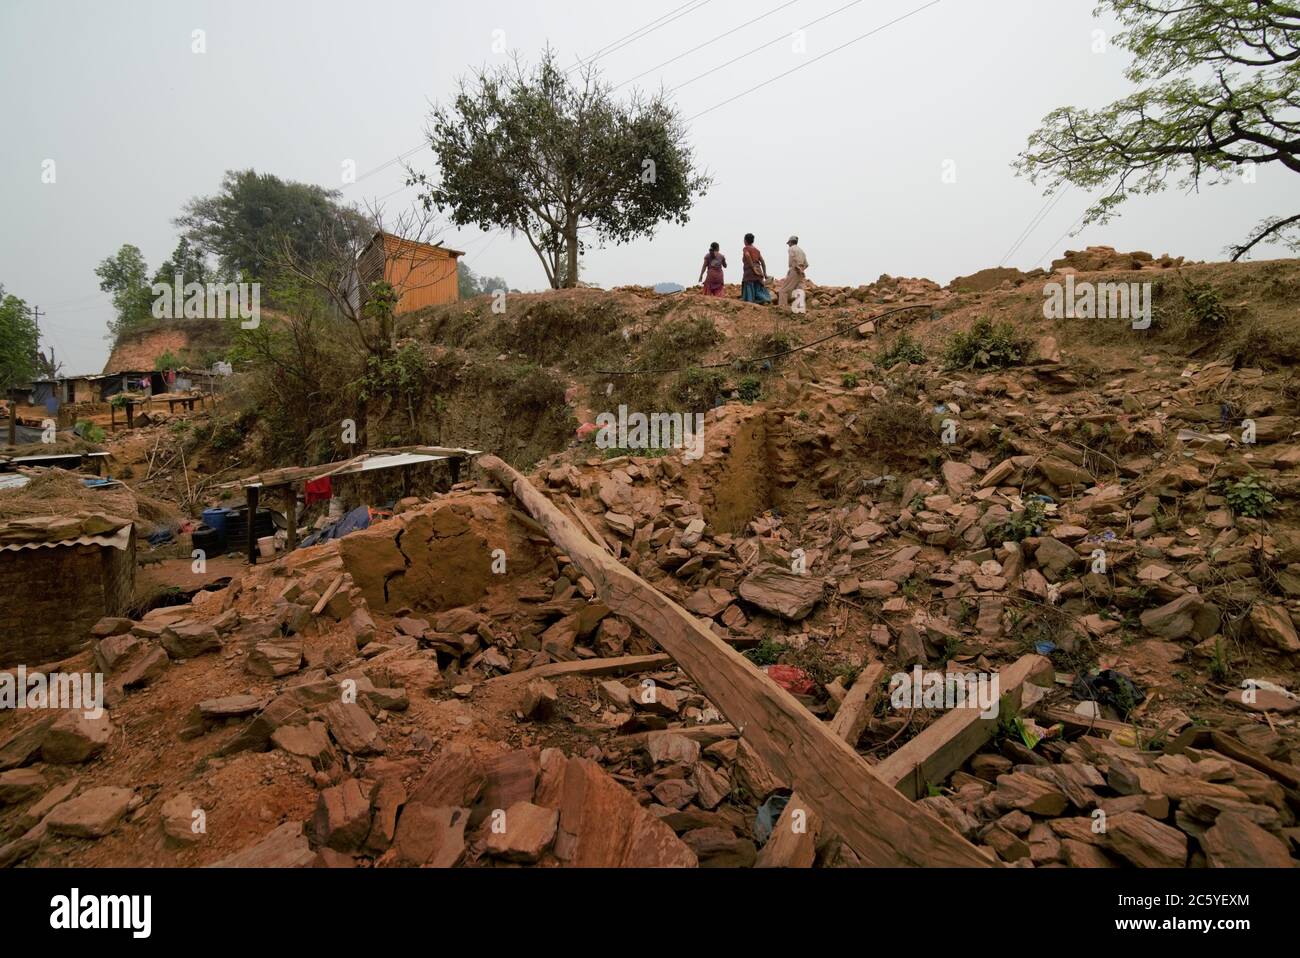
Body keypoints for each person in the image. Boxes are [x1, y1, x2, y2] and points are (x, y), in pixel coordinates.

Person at [778, 234, 809, 310]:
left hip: (795, 270)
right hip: (801, 272)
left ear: (791, 242)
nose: (788, 245)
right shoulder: (802, 251)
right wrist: (801, 270)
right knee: (799, 290)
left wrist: (796, 268)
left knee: (783, 290)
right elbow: (807, 264)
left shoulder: (791, 249)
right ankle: (799, 309)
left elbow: (793, 258)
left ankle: (782, 308)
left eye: (789, 243)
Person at [740, 233, 771, 304]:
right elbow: (762, 261)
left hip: (750, 272)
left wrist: (753, 267)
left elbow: (747, 255)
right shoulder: (757, 250)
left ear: (745, 240)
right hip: (759, 271)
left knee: (749, 287)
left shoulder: (746, 248)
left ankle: (751, 302)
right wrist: (765, 273)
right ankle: (765, 299)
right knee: (758, 287)